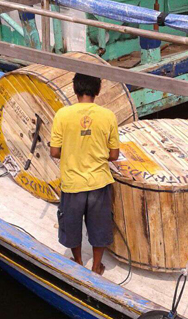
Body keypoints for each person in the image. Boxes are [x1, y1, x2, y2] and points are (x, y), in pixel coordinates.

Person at [50, 73, 120, 275]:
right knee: (100, 227)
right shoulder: (108, 116)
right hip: (99, 183)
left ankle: (78, 262)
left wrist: (73, 151)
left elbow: (54, 151)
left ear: (75, 89)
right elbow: (114, 155)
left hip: (72, 184)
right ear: (98, 91)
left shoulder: (62, 115)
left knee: (71, 226)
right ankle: (97, 266)